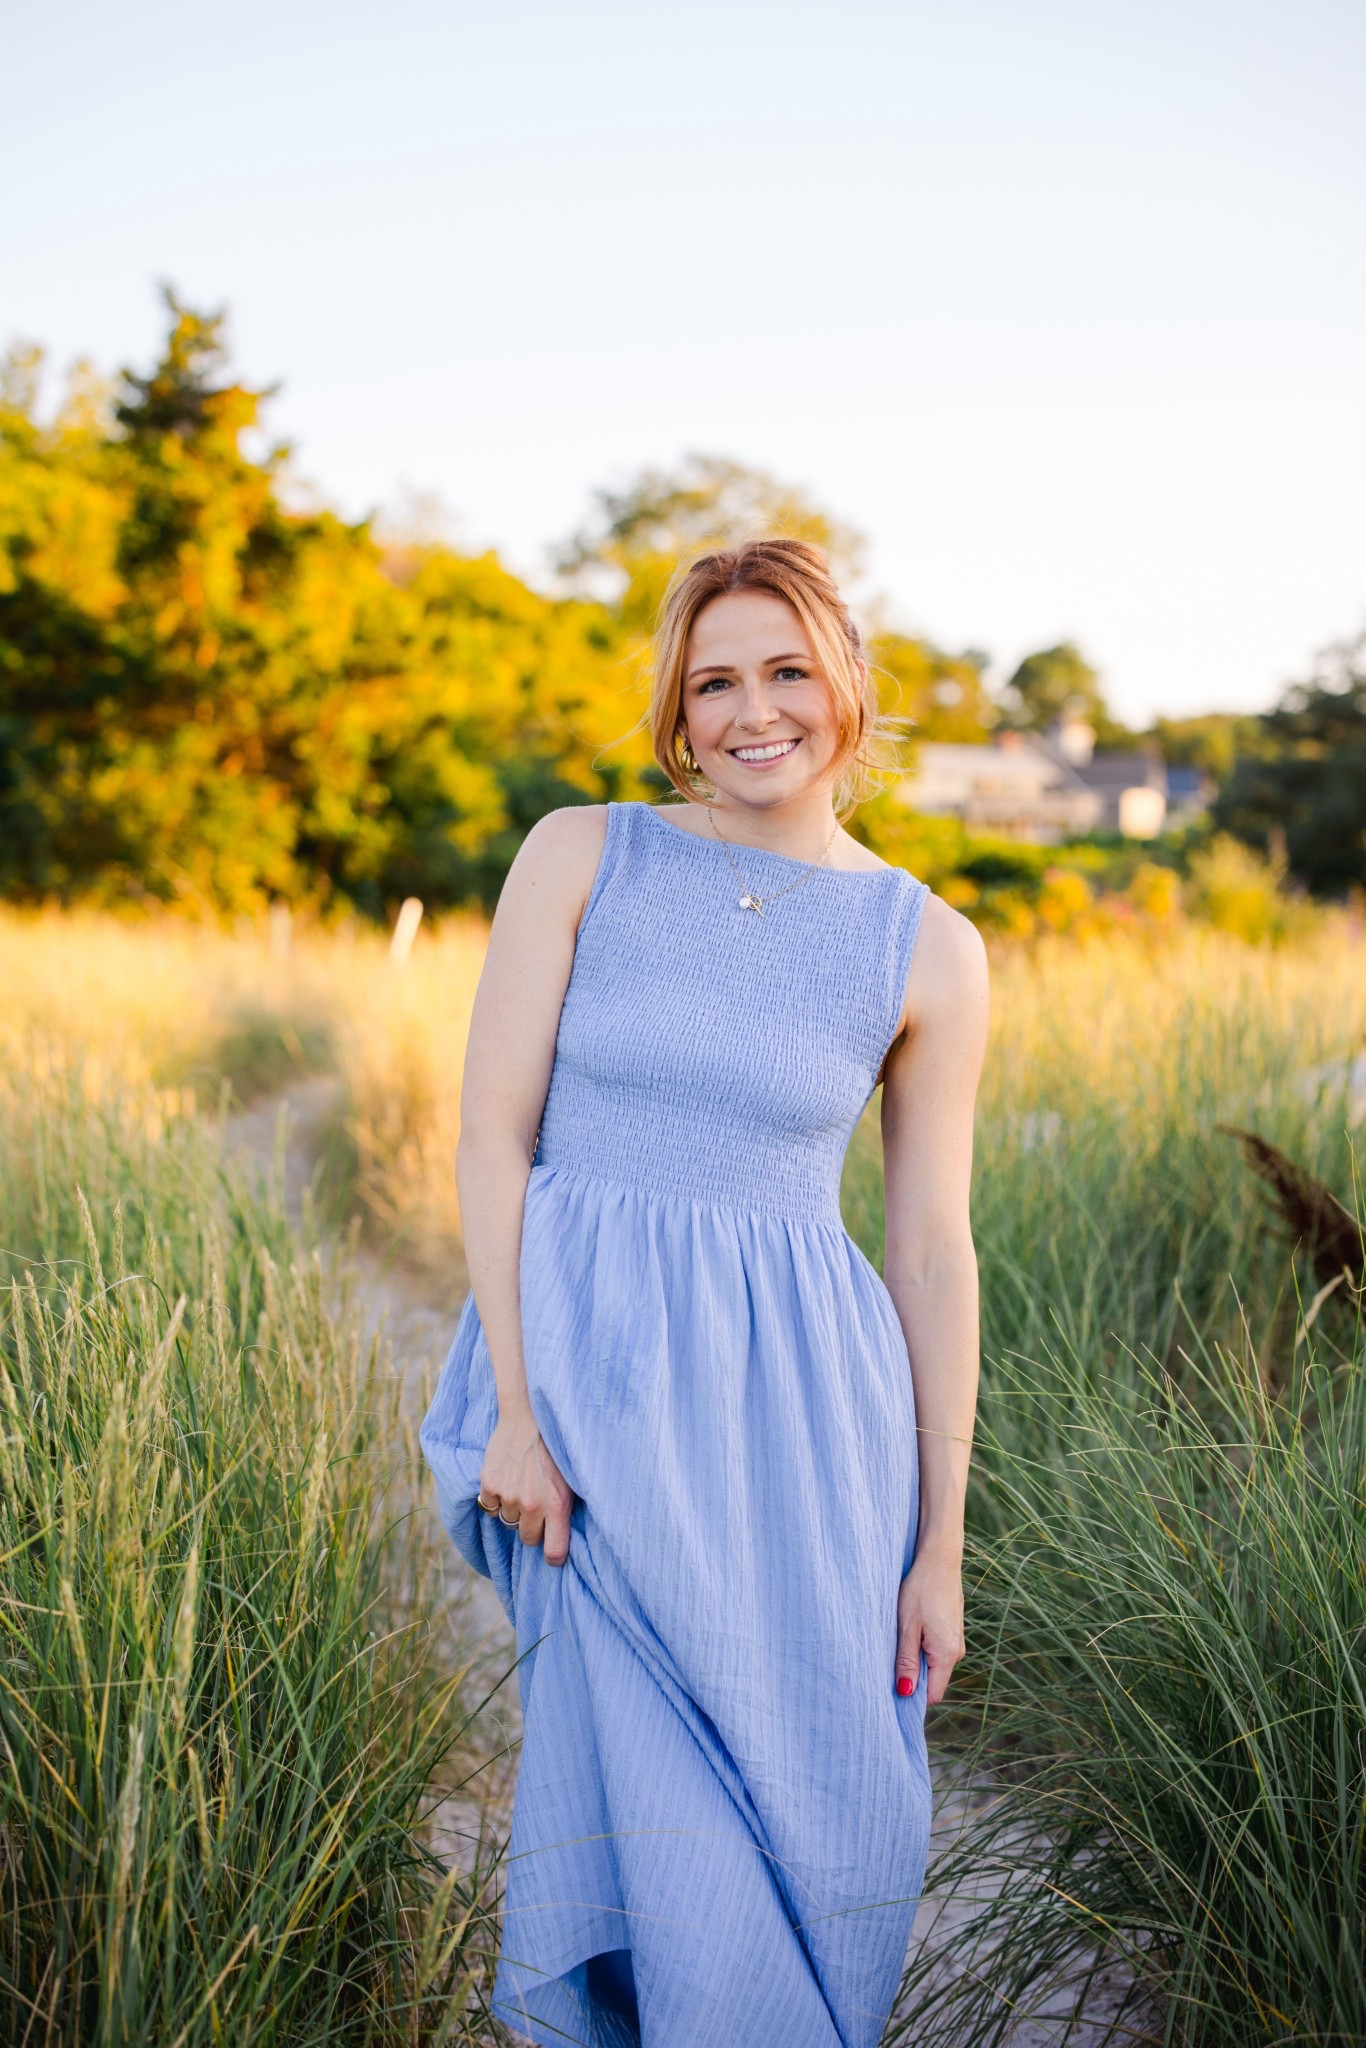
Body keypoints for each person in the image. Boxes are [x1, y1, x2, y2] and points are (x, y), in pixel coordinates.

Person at [420, 538, 989, 2047]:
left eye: (787, 671)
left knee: (826, 1815)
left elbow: (929, 1248)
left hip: (804, 1439)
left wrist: (937, 1544)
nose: (754, 712)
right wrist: (521, 1416)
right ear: (676, 707)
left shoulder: (927, 944)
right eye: (714, 680)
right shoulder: (580, 852)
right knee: (657, 1834)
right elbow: (491, 1135)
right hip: (584, 1414)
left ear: (847, 686)